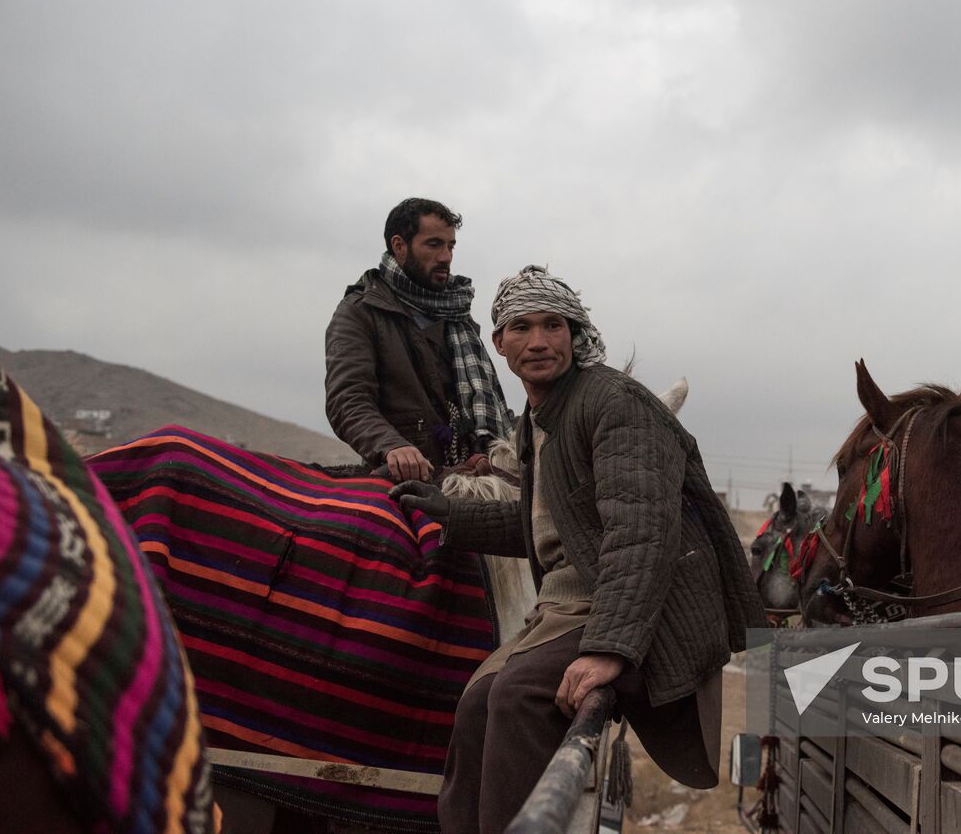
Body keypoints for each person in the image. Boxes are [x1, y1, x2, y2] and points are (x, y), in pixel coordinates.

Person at [390, 265, 765, 834]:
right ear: (499, 344)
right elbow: (555, 528)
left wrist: (609, 650)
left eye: (552, 325)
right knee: (474, 705)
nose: (538, 341)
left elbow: (642, 533)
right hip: (570, 608)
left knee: (517, 697)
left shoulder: (615, 405)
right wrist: (453, 514)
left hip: (634, 613)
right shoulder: (542, 418)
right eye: (521, 328)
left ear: (574, 332)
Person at [326, 197, 511, 481]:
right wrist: (393, 447)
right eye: (434, 244)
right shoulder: (361, 312)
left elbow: (476, 403)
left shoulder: (457, 314)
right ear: (399, 246)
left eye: (450, 246)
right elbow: (348, 399)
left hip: (473, 478)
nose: (446, 257)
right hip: (405, 482)